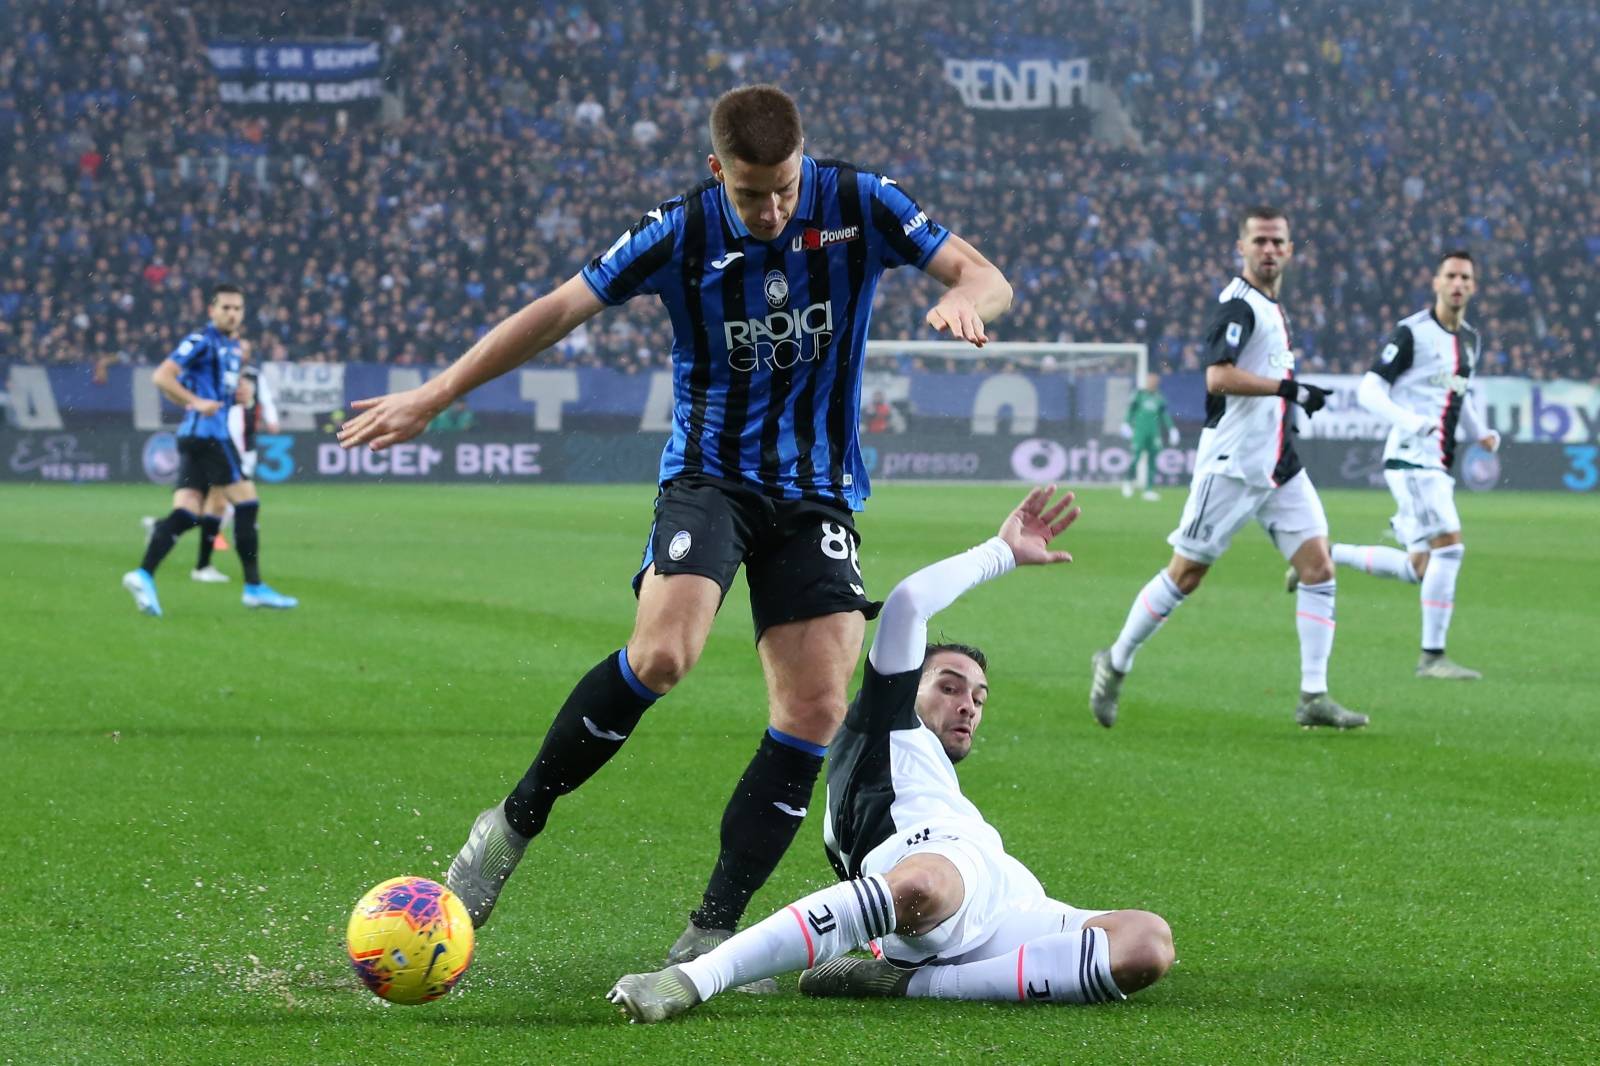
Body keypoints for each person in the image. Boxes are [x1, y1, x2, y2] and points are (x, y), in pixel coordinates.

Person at [335, 85, 1013, 969]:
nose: (770, 211)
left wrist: (969, 300)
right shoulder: (679, 230)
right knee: (663, 655)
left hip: (815, 494)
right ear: (714, 171)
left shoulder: (859, 201)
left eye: (782, 189)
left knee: (814, 708)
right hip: (710, 479)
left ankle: (711, 931)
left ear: (802, 159)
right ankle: (509, 827)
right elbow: (556, 310)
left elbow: (984, 272)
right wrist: (435, 394)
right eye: (749, 193)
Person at [607, 486, 1174, 1023]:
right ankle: (693, 980)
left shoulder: (928, 779)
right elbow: (907, 605)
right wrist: (1000, 552)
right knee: (925, 886)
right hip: (930, 885)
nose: (968, 705)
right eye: (949, 686)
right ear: (905, 687)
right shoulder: (884, 724)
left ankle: (904, 982)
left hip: (1006, 896)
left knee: (1147, 943)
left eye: (979, 697)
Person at [1088, 207, 1367, 731]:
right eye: (1258, 240)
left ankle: (1313, 695)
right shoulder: (1237, 307)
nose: (1268, 249)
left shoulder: (1272, 307)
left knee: (1319, 568)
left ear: (1289, 249)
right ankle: (1116, 660)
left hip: (1279, 466)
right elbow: (1218, 377)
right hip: (1233, 464)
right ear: (1241, 248)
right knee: (1186, 574)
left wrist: (1288, 403)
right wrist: (1289, 389)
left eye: (1276, 240)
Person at [1291, 251, 1498, 679]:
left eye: (1466, 277)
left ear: (1473, 287)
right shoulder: (1412, 333)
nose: (1458, 283)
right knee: (1451, 547)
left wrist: (1480, 432)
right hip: (1412, 458)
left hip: (1437, 462)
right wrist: (1410, 422)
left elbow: (1461, 392)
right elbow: (1369, 390)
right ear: (1436, 282)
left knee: (1419, 567)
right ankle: (1432, 657)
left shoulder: (1471, 339)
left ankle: (1325, 555)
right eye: (1451, 276)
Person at [121, 285, 298, 615]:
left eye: (238, 309)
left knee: (188, 512)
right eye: (226, 307)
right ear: (212, 310)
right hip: (210, 437)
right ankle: (254, 587)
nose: (232, 314)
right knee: (247, 504)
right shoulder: (202, 340)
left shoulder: (230, 348)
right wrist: (195, 402)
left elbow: (208, 394)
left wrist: (234, 399)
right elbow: (162, 377)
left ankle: (143, 574)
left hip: (196, 436)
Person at [190, 353, 282, 582]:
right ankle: (246, 572)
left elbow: (265, 399)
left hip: (241, 447)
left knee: (218, 501)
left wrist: (271, 418)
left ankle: (179, 537)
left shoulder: (252, 375)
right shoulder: (219, 375)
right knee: (231, 502)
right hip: (222, 445)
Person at [1120, 371, 1180, 501]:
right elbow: (1130, 410)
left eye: (1155, 381)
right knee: (1135, 458)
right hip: (1139, 432)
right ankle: (1128, 482)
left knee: (1152, 461)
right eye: (1150, 380)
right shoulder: (1139, 395)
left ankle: (1148, 489)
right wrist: (1126, 423)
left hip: (1154, 433)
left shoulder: (1159, 397)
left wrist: (1172, 429)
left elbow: (1165, 416)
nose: (1152, 383)